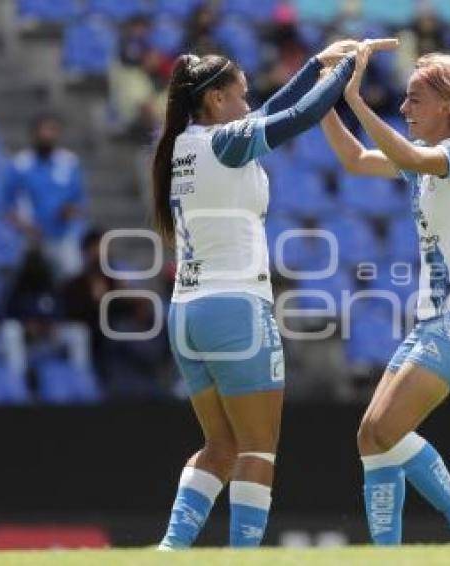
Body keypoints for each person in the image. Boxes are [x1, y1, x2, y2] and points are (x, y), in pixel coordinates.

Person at [152, 39, 397, 550]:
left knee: (219, 447)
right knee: (257, 450)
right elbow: (298, 116)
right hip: (235, 309)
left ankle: (170, 551)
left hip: (186, 312)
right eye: (240, 96)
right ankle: (243, 559)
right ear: (216, 100)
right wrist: (348, 69)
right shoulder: (227, 142)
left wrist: (313, 65)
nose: (248, 105)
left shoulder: (183, 144)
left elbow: (272, 111)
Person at [321, 44, 450, 544]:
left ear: (448, 105)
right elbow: (356, 159)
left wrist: (354, 99)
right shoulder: (427, 160)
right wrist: (324, 97)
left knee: (386, 430)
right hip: (434, 320)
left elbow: (403, 153)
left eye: (413, 100)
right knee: (369, 436)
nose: (404, 110)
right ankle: (389, 554)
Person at [0, 113, 88, 277]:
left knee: (73, 273)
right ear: (33, 134)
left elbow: (79, 201)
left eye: (52, 130)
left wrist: (70, 211)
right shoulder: (20, 164)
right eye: (44, 130)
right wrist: (23, 225)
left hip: (62, 236)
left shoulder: (69, 163)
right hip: (28, 239)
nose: (48, 135)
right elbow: (6, 205)